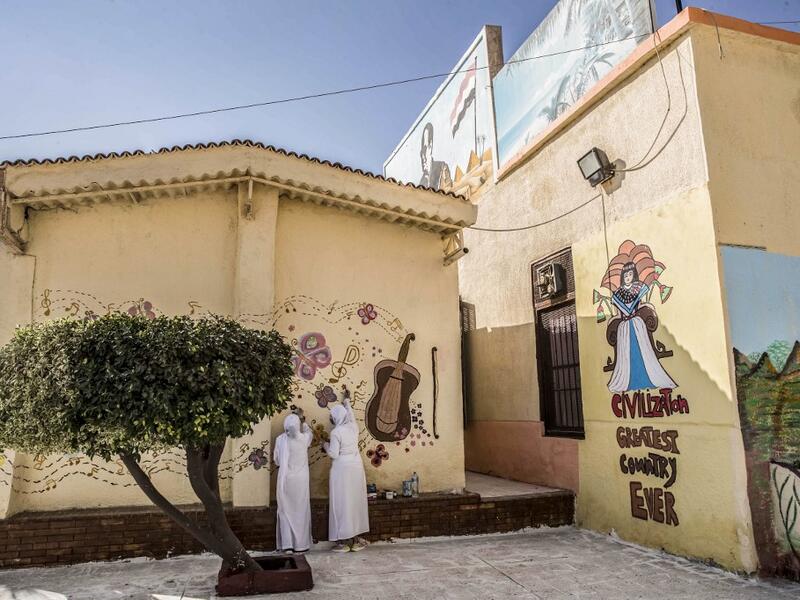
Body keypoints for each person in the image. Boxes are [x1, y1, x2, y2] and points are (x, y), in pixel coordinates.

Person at [607, 262, 677, 393]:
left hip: (637, 324)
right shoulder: (618, 294)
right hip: (624, 327)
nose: (628, 276)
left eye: (630, 274)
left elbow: (641, 304)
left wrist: (649, 308)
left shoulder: (638, 288)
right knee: (626, 354)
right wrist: (613, 319)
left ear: (633, 274)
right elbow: (618, 313)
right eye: (625, 274)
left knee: (642, 350)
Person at [323, 393, 370, 552]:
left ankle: (343, 543)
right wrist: (347, 402)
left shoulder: (336, 433)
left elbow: (334, 454)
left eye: (331, 416)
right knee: (355, 501)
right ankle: (356, 541)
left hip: (342, 469)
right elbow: (351, 415)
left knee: (342, 502)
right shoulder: (353, 427)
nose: (330, 418)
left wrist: (325, 445)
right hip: (356, 467)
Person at [273, 412, 313, 553]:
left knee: (285, 512)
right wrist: (303, 421)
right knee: (300, 512)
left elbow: (277, 460)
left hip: (285, 480)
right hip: (301, 482)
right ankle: (301, 544)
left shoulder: (280, 440)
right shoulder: (303, 439)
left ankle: (287, 545)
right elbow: (310, 432)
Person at [418, 122, 452, 190]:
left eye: (425, 149)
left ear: (430, 146)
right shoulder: (421, 182)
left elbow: (449, 191)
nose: (423, 156)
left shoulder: (442, 168)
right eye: (421, 152)